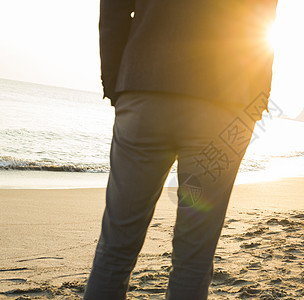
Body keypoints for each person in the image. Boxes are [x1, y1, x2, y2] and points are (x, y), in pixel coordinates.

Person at [84, 1, 278, 299]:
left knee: (116, 246)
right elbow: (262, 15)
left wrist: (117, 84)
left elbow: (114, 8)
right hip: (222, 106)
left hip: (145, 91)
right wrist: (255, 102)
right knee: (194, 254)